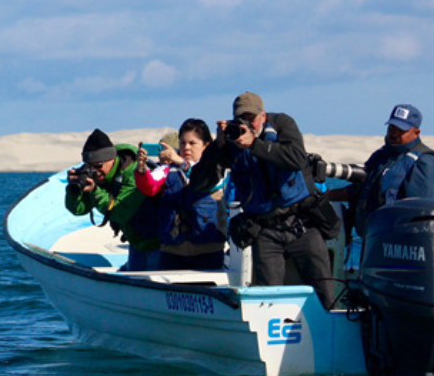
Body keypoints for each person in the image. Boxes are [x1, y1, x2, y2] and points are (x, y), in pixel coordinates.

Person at [192, 92, 336, 308]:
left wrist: (254, 145)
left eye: (252, 118)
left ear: (263, 116)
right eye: (242, 118)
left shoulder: (282, 124)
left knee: (325, 292)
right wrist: (217, 147)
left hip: (302, 225)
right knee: (269, 299)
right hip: (265, 230)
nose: (247, 124)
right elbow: (199, 183)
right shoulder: (233, 140)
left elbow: (296, 158)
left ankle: (331, 330)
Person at [326, 104, 434, 238]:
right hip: (372, 238)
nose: (394, 133)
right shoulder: (381, 155)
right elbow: (362, 191)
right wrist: (326, 196)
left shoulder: (422, 161)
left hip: (396, 243)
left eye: (401, 130)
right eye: (392, 127)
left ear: (416, 133)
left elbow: (420, 210)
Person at [135, 119, 228, 270]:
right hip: (173, 252)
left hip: (208, 251)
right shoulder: (168, 169)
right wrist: (141, 169)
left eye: (192, 143)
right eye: (183, 143)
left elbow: (204, 180)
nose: (186, 148)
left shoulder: (216, 168)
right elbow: (148, 187)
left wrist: (180, 162)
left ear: (206, 146)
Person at [65, 129, 161, 271]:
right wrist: (73, 189)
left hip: (160, 244)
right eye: (90, 167)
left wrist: (95, 191)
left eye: (98, 166)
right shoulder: (100, 175)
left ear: (112, 159)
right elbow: (78, 209)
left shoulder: (133, 171)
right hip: (137, 242)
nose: (96, 172)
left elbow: (121, 213)